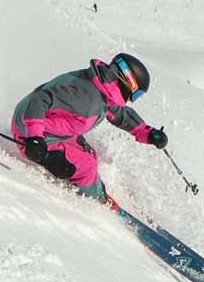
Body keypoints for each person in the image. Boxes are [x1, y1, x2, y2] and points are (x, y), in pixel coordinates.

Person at [11, 52, 166, 204]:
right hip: (29, 135)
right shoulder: (86, 97)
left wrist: (147, 132)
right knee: (87, 167)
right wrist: (35, 138)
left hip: (52, 129)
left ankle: (94, 188)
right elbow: (41, 99)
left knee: (89, 153)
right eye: (136, 94)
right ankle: (97, 200)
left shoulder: (100, 88)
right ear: (128, 83)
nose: (132, 99)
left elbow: (118, 113)